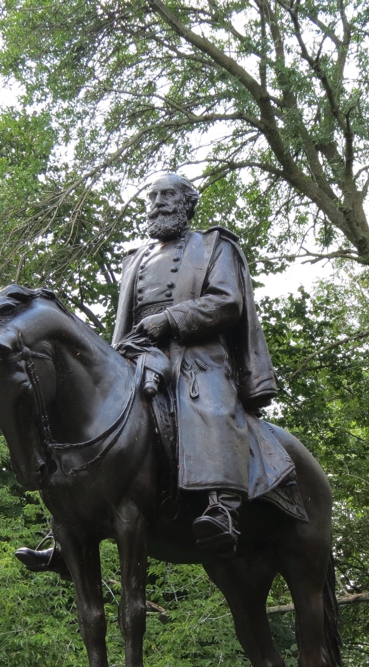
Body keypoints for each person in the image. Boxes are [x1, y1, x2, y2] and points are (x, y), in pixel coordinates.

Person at [111, 172, 278, 555]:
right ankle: (65, 528)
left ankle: (222, 506)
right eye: (151, 196)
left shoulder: (215, 245)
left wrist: (170, 320)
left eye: (168, 194)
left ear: (187, 202)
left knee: (211, 405)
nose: (158, 202)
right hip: (136, 352)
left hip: (198, 355)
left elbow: (227, 301)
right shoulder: (133, 259)